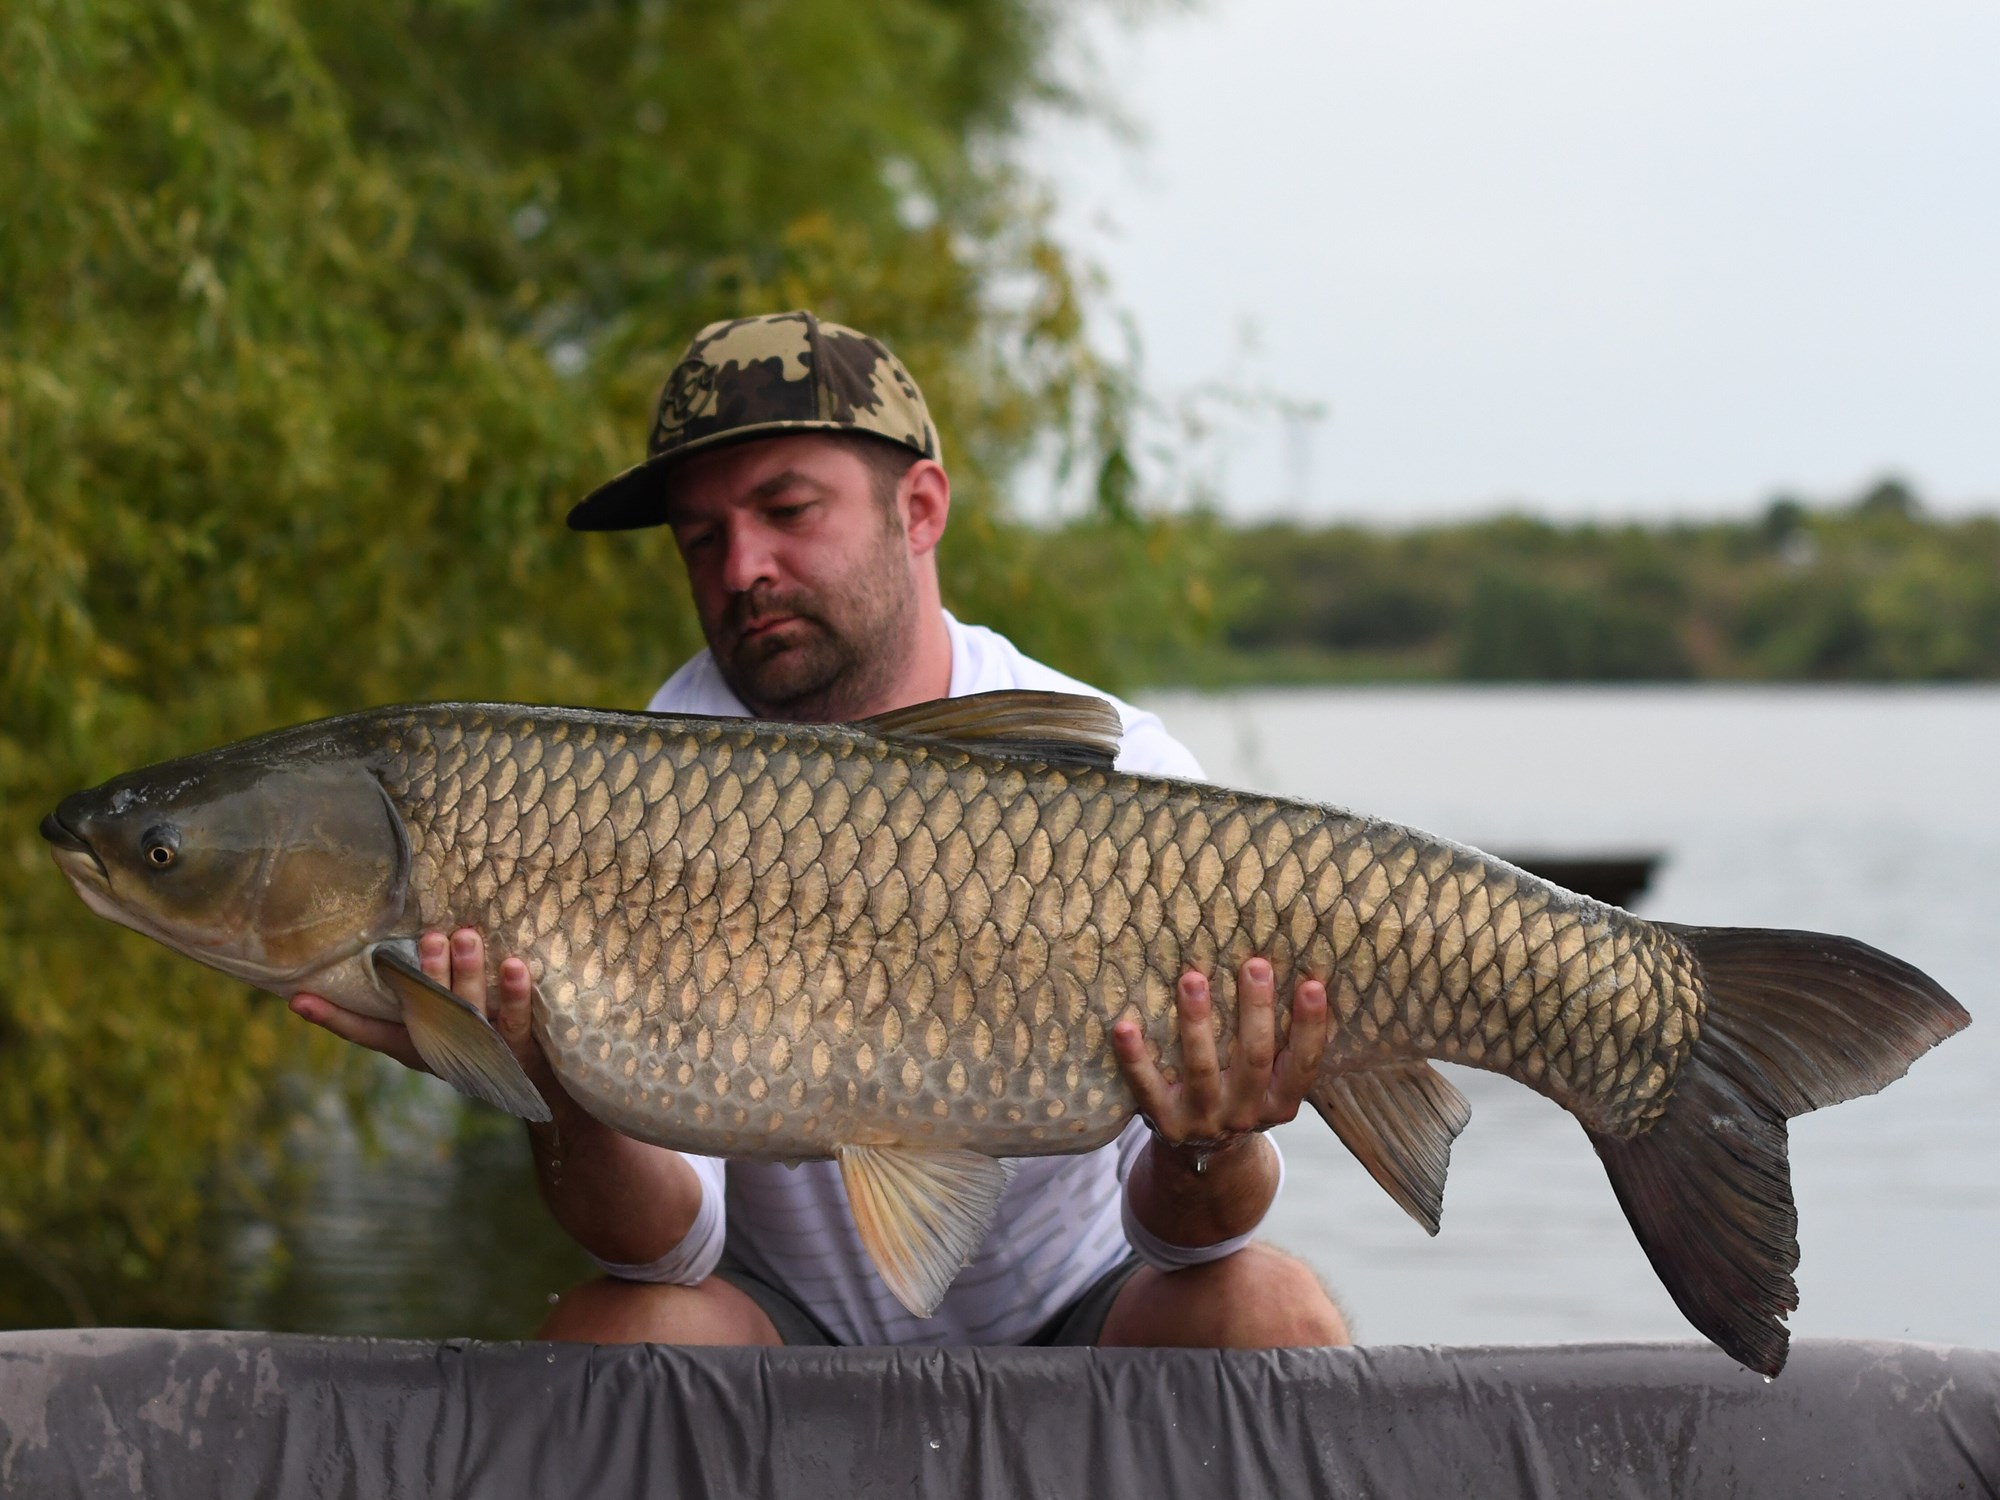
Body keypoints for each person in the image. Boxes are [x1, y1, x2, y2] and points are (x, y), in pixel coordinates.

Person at [292, 310, 1348, 1349]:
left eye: (787, 510)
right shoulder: (628, 789)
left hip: (1078, 1310)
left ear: (920, 508)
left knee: (1268, 1312)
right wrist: (549, 1093)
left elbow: (1191, 1239)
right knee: (619, 1332)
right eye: (700, 537)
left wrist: (1206, 1146)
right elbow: (660, 1249)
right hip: (786, 1326)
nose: (740, 565)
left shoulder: (1124, 778)